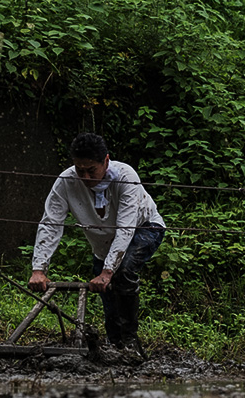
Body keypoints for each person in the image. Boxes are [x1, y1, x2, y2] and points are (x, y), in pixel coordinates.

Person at [29, 133, 166, 357]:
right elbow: (51, 222)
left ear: (106, 161)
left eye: (91, 170)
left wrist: (107, 271)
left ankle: (130, 341)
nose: (85, 176)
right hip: (103, 243)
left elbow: (125, 229)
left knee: (123, 272)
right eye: (79, 170)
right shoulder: (66, 181)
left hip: (144, 228)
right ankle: (115, 345)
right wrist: (39, 269)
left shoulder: (125, 177)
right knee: (108, 294)